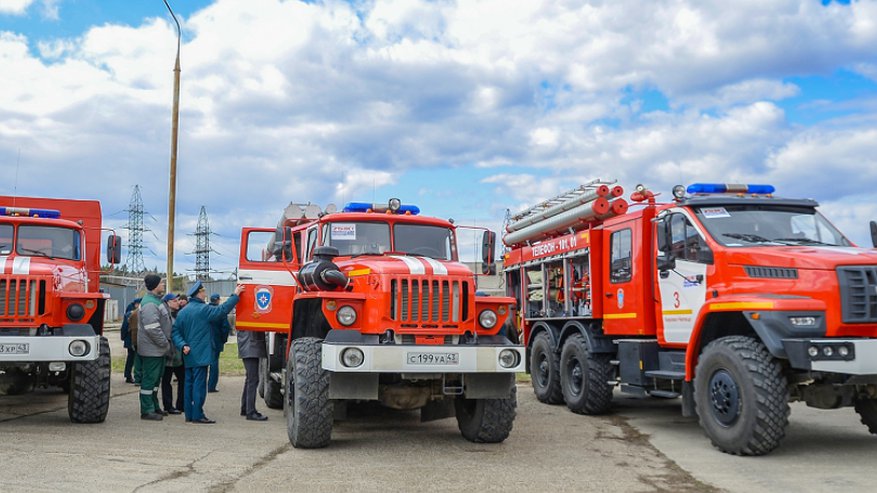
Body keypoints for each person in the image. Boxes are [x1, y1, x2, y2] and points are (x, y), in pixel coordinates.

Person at [173, 280, 243, 424]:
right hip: (201, 354)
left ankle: (189, 414)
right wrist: (235, 295)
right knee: (199, 385)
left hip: (188, 354)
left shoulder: (183, 312)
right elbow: (222, 310)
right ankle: (197, 414)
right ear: (199, 293)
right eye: (204, 291)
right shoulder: (203, 310)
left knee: (188, 384)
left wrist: (182, 345)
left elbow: (175, 332)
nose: (205, 294)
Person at [137, 274, 173, 421]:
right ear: (155, 285)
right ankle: (147, 410)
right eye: (161, 283)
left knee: (155, 380)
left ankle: (154, 406)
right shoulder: (150, 304)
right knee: (149, 380)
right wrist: (164, 343)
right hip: (152, 349)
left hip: (157, 350)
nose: (163, 285)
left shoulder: (155, 301)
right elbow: (152, 328)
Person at [160, 293, 185, 415]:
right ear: (168, 303)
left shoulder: (177, 315)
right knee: (166, 381)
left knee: (183, 380)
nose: (178, 302)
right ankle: (168, 406)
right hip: (168, 354)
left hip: (178, 354)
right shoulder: (165, 316)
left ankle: (181, 404)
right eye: (175, 300)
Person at [237, 329, 268, 421]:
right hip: (251, 347)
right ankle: (250, 411)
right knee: (253, 379)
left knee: (250, 379)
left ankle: (245, 407)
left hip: (249, 346)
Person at [207, 293, 232, 393]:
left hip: (204, 340)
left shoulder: (205, 310)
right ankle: (211, 386)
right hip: (216, 341)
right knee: (214, 363)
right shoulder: (220, 312)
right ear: (218, 300)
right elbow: (225, 327)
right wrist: (224, 339)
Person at [120, 298, 141, 384]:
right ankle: (129, 375)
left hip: (130, 338)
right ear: (136, 304)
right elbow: (125, 327)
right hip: (131, 338)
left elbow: (124, 327)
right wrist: (123, 336)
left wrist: (123, 337)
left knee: (131, 358)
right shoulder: (131, 313)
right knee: (133, 358)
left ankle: (128, 375)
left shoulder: (129, 312)